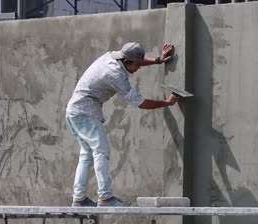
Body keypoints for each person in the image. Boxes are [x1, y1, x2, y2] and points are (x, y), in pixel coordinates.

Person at [65, 42, 178, 207]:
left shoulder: (112, 56)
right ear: (126, 62)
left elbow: (136, 59)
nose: (139, 67)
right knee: (101, 152)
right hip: (85, 113)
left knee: (87, 154)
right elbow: (140, 102)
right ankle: (105, 197)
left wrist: (157, 60)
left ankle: (79, 198)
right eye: (137, 64)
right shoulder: (115, 74)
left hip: (74, 112)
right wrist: (166, 103)